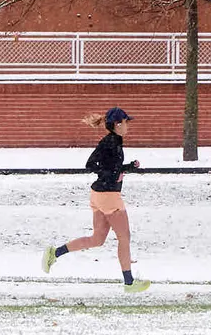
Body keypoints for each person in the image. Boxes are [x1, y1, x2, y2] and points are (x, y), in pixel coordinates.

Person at [41, 106, 150, 293]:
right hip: (109, 196)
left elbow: (106, 167)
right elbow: (92, 165)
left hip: (99, 195)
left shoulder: (112, 141)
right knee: (124, 237)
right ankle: (129, 282)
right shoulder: (112, 142)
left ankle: (55, 253)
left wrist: (127, 168)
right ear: (117, 124)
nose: (128, 126)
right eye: (126, 122)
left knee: (97, 239)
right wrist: (113, 175)